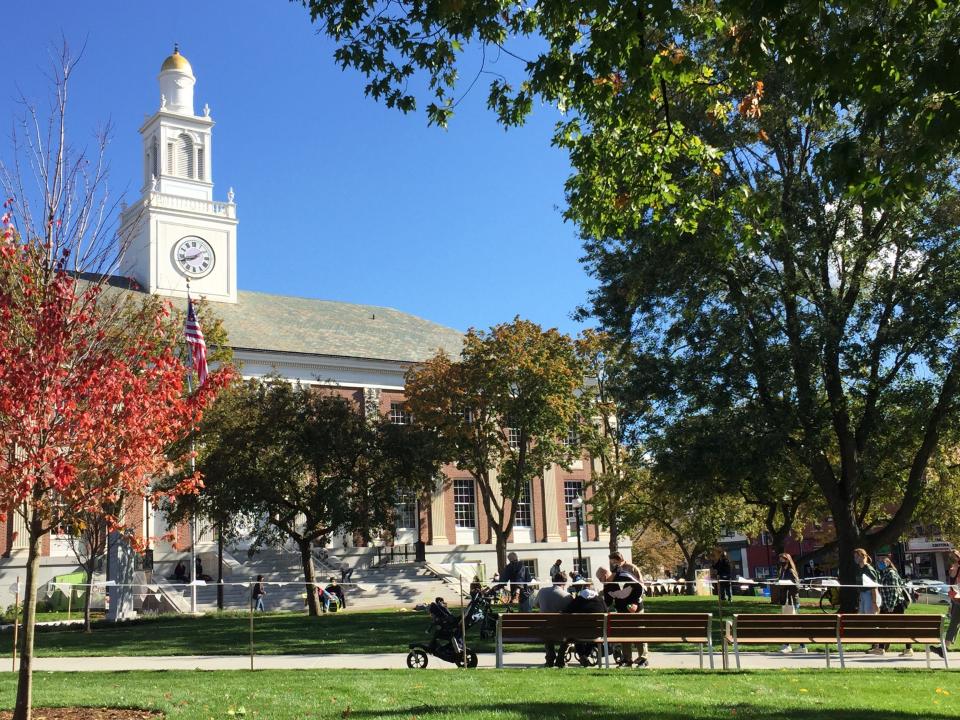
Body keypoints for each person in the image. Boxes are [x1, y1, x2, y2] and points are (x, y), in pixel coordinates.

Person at [598, 564, 648, 668]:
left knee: (639, 633)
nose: (600, 581)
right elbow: (608, 602)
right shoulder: (607, 585)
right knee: (624, 634)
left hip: (636, 609)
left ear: (606, 574)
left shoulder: (624, 576)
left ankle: (643, 659)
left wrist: (635, 603)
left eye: (600, 578)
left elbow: (641, 587)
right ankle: (627, 659)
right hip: (621, 611)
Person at [556, 585, 608, 668]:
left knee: (577, 632)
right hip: (595, 633)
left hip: (578, 633)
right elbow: (606, 612)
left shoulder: (577, 600)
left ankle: (582, 655)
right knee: (591, 633)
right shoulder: (600, 600)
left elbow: (566, 611)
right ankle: (585, 655)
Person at [874, 555, 911, 656]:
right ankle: (881, 648)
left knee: (901, 627)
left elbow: (894, 590)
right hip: (886, 604)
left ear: (888, 563)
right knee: (882, 626)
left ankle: (909, 649)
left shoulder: (891, 573)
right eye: (878, 562)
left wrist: (891, 606)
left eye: (882, 562)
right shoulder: (884, 574)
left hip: (895, 605)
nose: (879, 564)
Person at [534, 573, 573, 667]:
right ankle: (560, 658)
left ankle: (550, 657)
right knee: (568, 629)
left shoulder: (542, 591)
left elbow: (536, 605)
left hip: (544, 628)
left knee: (548, 627)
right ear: (565, 582)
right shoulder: (567, 596)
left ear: (553, 580)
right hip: (561, 630)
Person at [776, 553, 807, 654]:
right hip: (786, 601)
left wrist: (786, 585)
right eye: (780, 559)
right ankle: (788, 645)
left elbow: (796, 586)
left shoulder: (790, 571)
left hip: (791, 601)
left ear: (787, 560)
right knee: (787, 624)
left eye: (783, 559)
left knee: (793, 624)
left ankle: (799, 646)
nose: (781, 561)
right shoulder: (783, 571)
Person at [933, 549, 960, 658]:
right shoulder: (953, 572)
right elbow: (952, 589)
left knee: (954, 623)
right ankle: (944, 648)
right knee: (954, 623)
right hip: (956, 601)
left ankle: (944, 648)